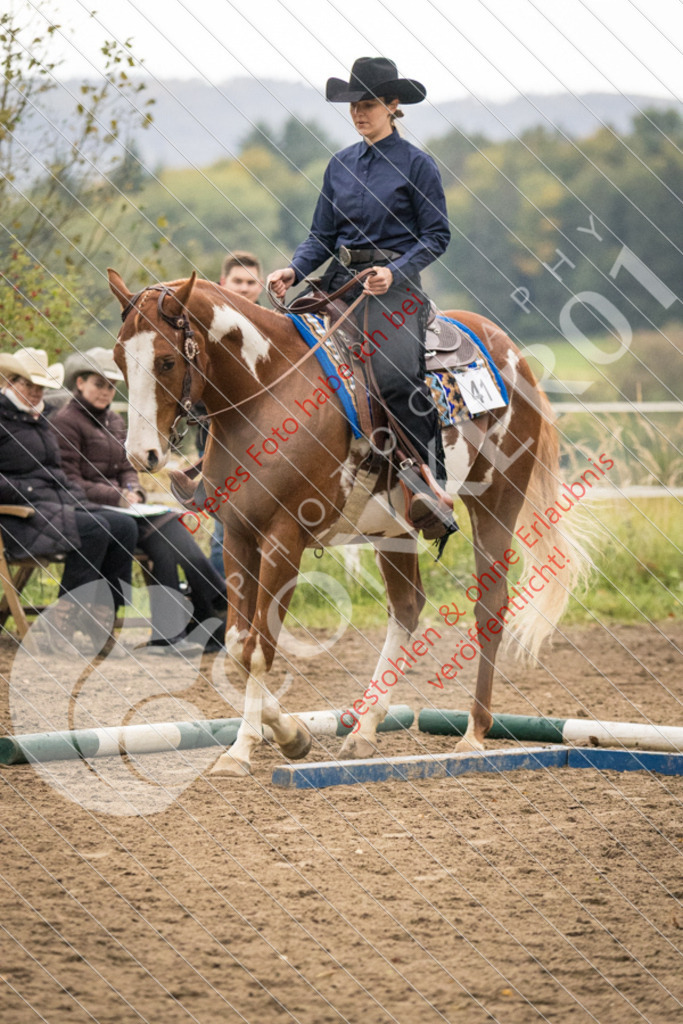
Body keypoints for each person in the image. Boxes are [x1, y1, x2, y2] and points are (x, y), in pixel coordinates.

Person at [268, 57, 456, 538]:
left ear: (394, 107)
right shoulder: (340, 164)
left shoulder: (418, 164)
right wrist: (294, 269)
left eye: (368, 104)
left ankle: (428, 487)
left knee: (394, 380)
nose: (358, 113)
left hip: (395, 292)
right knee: (285, 361)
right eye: (353, 105)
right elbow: (321, 236)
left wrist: (392, 274)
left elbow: (436, 236)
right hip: (339, 283)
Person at [51, 348, 227, 655]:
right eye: (99, 384)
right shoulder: (66, 421)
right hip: (88, 510)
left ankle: (171, 635)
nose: (106, 392)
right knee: (169, 527)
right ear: (80, 383)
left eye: (110, 386)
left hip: (123, 509)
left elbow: (126, 470)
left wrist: (134, 491)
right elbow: (69, 480)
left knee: (165, 539)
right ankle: (214, 603)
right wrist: (118, 496)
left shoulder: (114, 422)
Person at [0, 347, 137, 651]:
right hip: (16, 517)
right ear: (9, 383)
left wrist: (78, 499)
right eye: (28, 385)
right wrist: (31, 490)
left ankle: (101, 615)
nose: (35, 392)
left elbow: (57, 473)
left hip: (52, 508)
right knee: (94, 529)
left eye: (40, 387)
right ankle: (61, 620)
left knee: (124, 526)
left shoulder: (38, 420)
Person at [204, 251, 265, 573]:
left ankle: (253, 615)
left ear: (261, 286)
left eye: (250, 282)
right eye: (237, 281)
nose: (243, 288)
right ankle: (220, 610)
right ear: (222, 283)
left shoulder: (271, 333)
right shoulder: (207, 331)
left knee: (270, 533)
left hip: (269, 445)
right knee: (226, 531)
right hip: (223, 445)